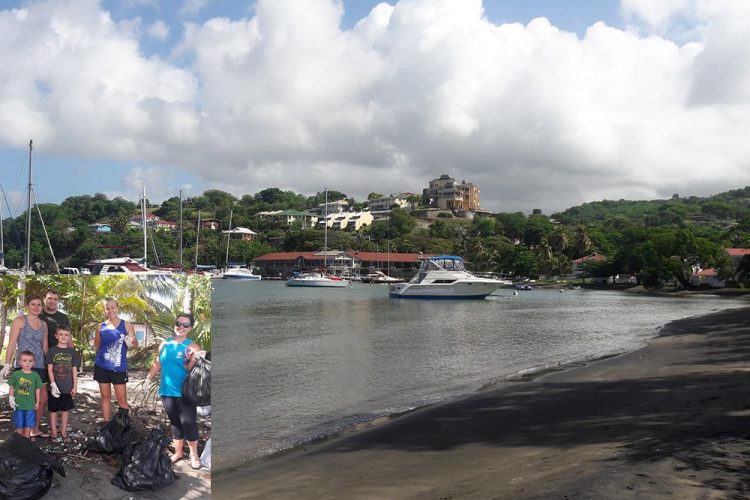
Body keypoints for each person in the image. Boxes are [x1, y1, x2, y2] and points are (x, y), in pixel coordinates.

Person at [145, 313, 203, 469]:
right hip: (167, 391)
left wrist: (194, 359)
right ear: (174, 324)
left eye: (185, 325)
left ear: (190, 328)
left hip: (186, 393)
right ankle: (178, 452)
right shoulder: (165, 344)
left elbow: (194, 371)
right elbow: (157, 363)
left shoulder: (193, 346)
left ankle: (194, 455)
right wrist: (148, 378)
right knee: (175, 423)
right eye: (179, 323)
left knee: (189, 423)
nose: (181, 327)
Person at [1, 294, 49, 438]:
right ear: (27, 305)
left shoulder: (44, 324)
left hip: (40, 365)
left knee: (42, 399)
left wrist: (52, 366)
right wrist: (7, 364)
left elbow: (45, 347)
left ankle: (34, 428)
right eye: (33, 304)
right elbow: (11, 343)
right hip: (23, 366)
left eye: (39, 305)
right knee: (23, 400)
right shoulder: (20, 321)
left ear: (42, 307)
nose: (36, 307)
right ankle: (20, 433)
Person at [94, 297, 137, 422]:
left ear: (117, 308)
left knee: (122, 400)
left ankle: (123, 427)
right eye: (107, 308)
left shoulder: (127, 325)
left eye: (112, 307)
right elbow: (97, 346)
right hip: (102, 367)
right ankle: (107, 426)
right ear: (104, 310)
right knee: (105, 396)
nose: (110, 310)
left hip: (119, 368)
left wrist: (130, 342)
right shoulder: (100, 327)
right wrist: (103, 359)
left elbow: (135, 345)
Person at [46, 325, 80, 443]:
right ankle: (54, 432)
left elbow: (74, 370)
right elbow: (50, 369)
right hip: (54, 388)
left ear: (69, 336)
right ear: (56, 336)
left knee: (65, 410)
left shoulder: (72, 352)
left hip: (67, 387)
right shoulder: (52, 351)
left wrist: (75, 386)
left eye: (66, 335)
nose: (63, 337)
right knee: (54, 410)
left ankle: (64, 431)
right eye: (61, 334)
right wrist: (52, 384)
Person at [7, 351, 43, 441]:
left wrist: (38, 402)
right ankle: (20, 440)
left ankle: (26, 439)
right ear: (20, 362)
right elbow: (11, 386)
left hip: (30, 405)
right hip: (18, 405)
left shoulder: (35, 375)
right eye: (25, 360)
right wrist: (11, 398)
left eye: (30, 361)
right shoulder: (16, 374)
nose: (27, 363)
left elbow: (37, 389)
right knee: (19, 423)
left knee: (29, 423)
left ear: (34, 363)